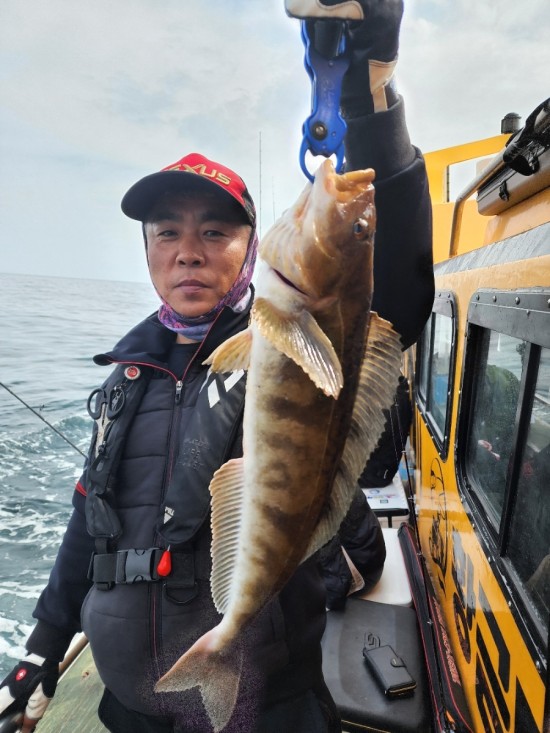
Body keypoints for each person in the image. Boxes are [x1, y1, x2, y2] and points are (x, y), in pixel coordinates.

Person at [0, 1, 434, 732]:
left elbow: (394, 290)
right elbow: (88, 524)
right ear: (146, 250)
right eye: (166, 232)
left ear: (253, 245)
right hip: (130, 708)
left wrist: (371, 93)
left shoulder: (288, 342)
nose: (187, 252)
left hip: (265, 708)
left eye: (214, 231)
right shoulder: (125, 378)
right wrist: (41, 649)